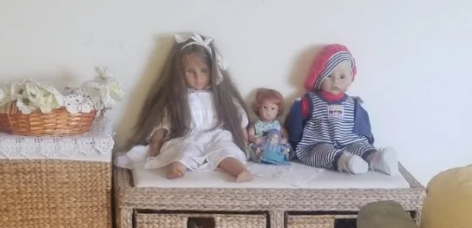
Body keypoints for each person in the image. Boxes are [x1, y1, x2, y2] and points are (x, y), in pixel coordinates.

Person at [119, 33, 253, 182]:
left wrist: (244, 141)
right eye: (191, 72)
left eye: (204, 71)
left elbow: (238, 117)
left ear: (214, 70)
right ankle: (177, 169)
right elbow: (162, 123)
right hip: (187, 135)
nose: (198, 78)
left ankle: (241, 171)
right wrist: (155, 144)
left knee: (225, 151)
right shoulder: (179, 98)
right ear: (179, 73)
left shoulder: (221, 97)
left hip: (217, 135)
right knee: (184, 150)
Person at [286, 44, 398, 175]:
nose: (335, 81)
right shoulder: (310, 101)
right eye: (329, 76)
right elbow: (295, 122)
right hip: (319, 143)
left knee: (360, 146)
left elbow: (363, 127)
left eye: (342, 76)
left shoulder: (353, 103)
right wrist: (292, 141)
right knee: (322, 152)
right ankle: (345, 162)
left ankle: (376, 158)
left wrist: (368, 142)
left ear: (350, 77)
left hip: (349, 142)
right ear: (319, 77)